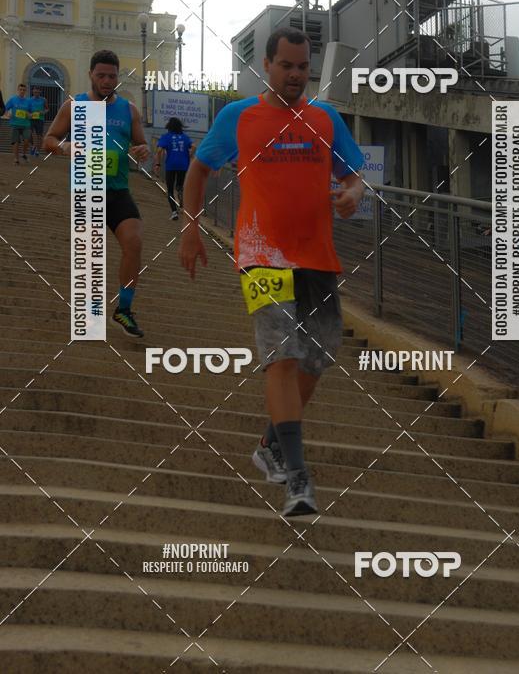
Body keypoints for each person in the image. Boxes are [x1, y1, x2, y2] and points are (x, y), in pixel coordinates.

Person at [179, 27, 365, 517]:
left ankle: (269, 444)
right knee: (281, 356)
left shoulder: (325, 118)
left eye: (303, 67)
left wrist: (352, 194)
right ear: (266, 65)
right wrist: (191, 229)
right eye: (286, 66)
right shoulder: (238, 117)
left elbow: (353, 175)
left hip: (317, 257)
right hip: (262, 254)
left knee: (316, 357)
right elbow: (199, 169)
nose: (295, 75)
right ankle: (298, 480)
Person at [43, 49, 150, 337]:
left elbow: (141, 144)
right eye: (101, 75)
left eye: (112, 76)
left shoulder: (129, 110)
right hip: (87, 189)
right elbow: (48, 140)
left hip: (118, 190)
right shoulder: (75, 105)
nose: (106, 81)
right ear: (90, 74)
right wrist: (65, 146)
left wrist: (143, 150)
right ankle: (90, 312)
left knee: (134, 242)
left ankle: (123, 310)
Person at [153, 117, 193, 220]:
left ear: (169, 126)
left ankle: (174, 212)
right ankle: (181, 193)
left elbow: (159, 151)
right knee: (180, 185)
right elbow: (193, 147)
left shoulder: (166, 137)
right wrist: (189, 156)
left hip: (171, 165)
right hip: (183, 165)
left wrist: (157, 164)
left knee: (170, 190)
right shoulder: (185, 137)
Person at [2, 83, 32, 164]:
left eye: (24, 90)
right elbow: (5, 108)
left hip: (26, 124)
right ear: (18, 90)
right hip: (14, 124)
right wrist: (7, 114)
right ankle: (16, 158)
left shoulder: (28, 101)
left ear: (25, 91)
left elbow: (31, 113)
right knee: (16, 142)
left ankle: (24, 154)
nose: (22, 91)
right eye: (20, 90)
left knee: (27, 140)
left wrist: (29, 115)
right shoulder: (13, 99)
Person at [29, 85, 48, 156]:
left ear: (40, 91)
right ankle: (32, 146)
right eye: (35, 90)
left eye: (37, 90)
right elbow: (27, 109)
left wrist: (43, 112)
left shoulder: (43, 100)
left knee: (39, 136)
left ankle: (37, 151)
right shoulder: (29, 100)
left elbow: (47, 109)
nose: (36, 91)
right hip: (31, 119)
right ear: (33, 91)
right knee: (28, 133)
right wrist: (29, 114)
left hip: (40, 120)